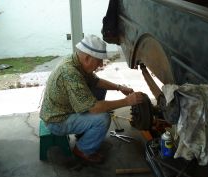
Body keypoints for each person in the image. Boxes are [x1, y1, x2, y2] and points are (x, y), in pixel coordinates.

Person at [40, 34, 144, 163]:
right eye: (99, 60)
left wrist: (119, 87)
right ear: (87, 58)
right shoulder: (70, 73)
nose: (101, 64)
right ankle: (83, 150)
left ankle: (83, 133)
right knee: (103, 118)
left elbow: (96, 82)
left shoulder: (76, 61)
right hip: (57, 121)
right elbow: (94, 108)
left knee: (99, 88)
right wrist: (127, 101)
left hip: (61, 109)